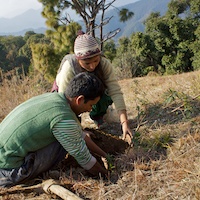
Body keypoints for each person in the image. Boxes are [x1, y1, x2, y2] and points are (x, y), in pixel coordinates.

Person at [0, 72, 108, 188]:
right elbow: (84, 158)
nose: (90, 110)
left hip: (4, 158)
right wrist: (106, 175)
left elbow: (78, 134)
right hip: (11, 171)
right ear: (80, 100)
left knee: (69, 137)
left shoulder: (54, 98)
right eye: (91, 105)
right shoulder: (63, 118)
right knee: (63, 143)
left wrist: (104, 154)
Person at [51, 32, 133, 144]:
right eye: (87, 63)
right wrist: (79, 131)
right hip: (68, 96)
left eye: (95, 61)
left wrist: (124, 123)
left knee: (105, 94)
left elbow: (115, 90)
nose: (92, 66)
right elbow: (63, 102)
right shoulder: (69, 68)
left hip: (90, 90)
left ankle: (98, 116)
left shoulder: (104, 63)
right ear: (78, 59)